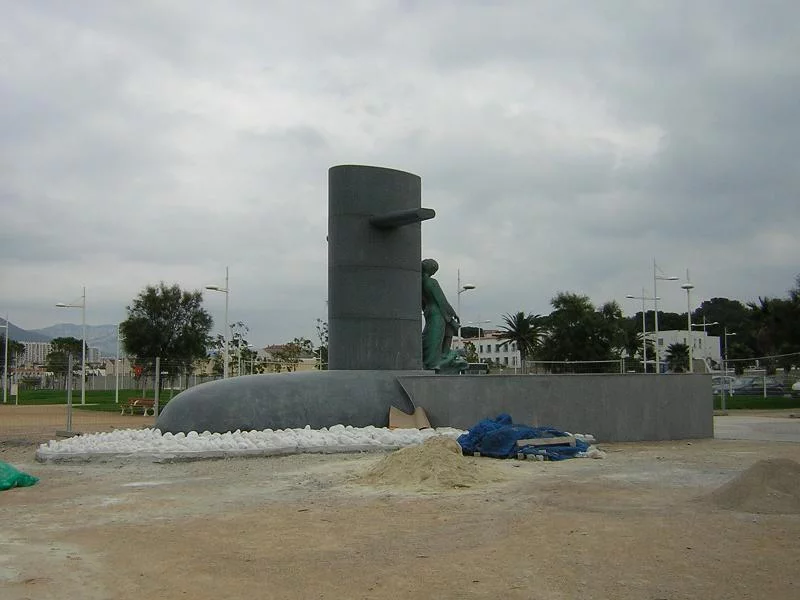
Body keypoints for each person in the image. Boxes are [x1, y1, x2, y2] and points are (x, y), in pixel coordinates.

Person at [421, 258, 463, 371]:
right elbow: (442, 301)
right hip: (437, 312)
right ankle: (432, 363)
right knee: (436, 338)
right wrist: (452, 316)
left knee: (429, 335)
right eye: (435, 269)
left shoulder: (420, 282)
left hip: (428, 311)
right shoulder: (432, 282)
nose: (435, 272)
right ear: (432, 269)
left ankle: (431, 359)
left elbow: (422, 302)